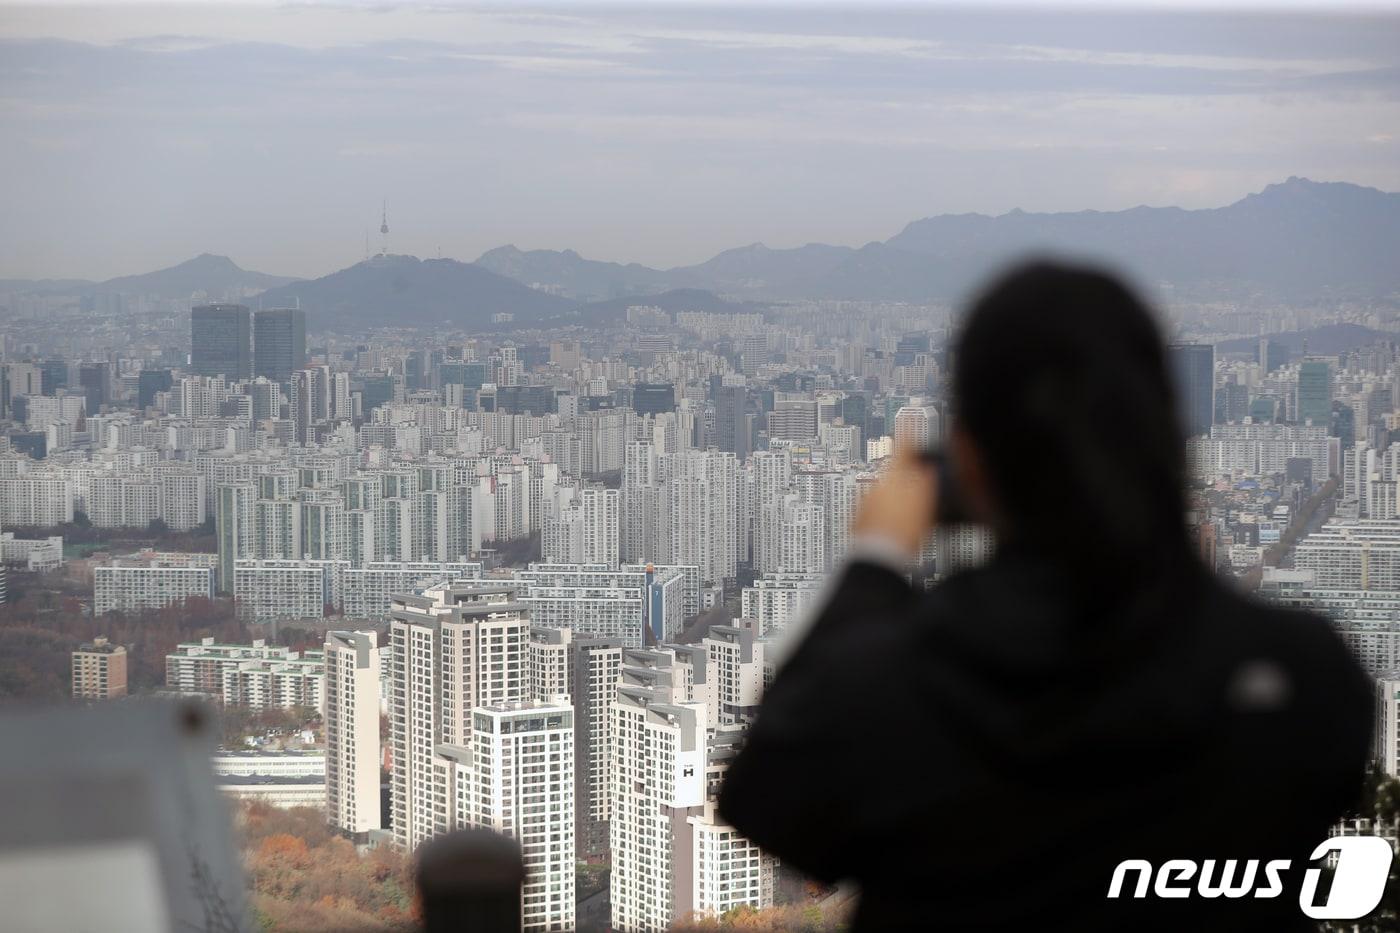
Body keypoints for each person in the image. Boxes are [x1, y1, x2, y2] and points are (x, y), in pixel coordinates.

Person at [718, 262, 1374, 931]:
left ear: (969, 461)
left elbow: (767, 795)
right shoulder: (1304, 680)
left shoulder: (895, 689)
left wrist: (876, 559)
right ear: (1169, 436)